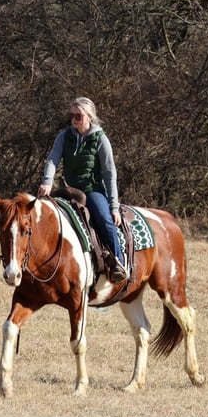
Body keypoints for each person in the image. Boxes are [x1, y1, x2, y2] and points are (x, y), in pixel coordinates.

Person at [37, 97, 127, 283]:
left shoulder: (100, 138)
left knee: (104, 219)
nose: (74, 120)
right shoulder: (64, 136)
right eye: (72, 116)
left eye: (78, 116)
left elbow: (110, 173)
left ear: (89, 117)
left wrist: (114, 206)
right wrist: (47, 182)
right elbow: (53, 159)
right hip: (68, 188)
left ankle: (118, 262)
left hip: (92, 189)